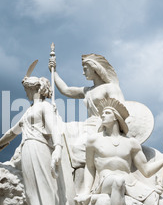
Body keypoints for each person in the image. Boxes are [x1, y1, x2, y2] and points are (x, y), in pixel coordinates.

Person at [0, 75, 72, 205]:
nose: (26, 93)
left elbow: (54, 129)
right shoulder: (28, 111)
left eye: (26, 90)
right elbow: (13, 131)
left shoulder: (45, 107)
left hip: (40, 147)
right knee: (31, 194)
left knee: (45, 190)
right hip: (27, 149)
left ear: (34, 88)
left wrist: (58, 147)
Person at [76, 98, 163, 205]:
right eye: (102, 113)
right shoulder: (94, 140)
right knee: (117, 181)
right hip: (105, 181)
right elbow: (90, 168)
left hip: (131, 183)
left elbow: (146, 170)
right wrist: (86, 191)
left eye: (107, 112)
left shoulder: (131, 143)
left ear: (116, 117)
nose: (102, 115)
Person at [49, 54, 126, 193]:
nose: (83, 72)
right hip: (88, 124)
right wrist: (54, 72)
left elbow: (119, 108)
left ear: (95, 69)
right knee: (62, 134)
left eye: (86, 68)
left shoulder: (111, 88)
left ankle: (80, 189)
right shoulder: (88, 91)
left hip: (102, 125)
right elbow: (66, 90)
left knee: (79, 148)